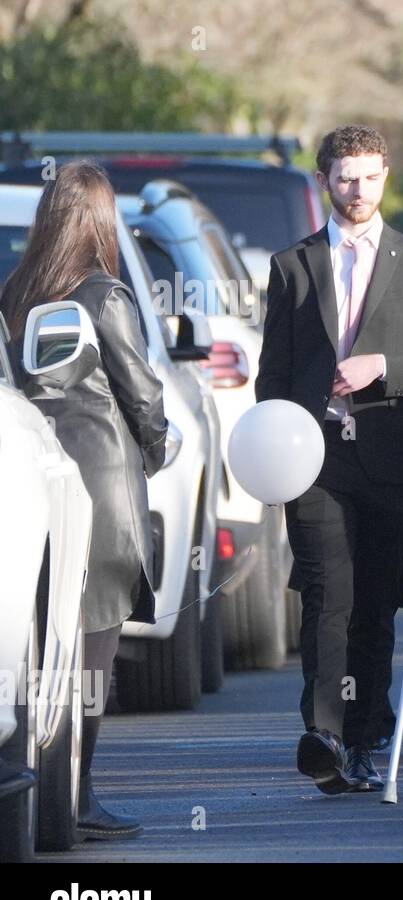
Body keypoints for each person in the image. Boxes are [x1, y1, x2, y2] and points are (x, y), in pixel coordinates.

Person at [256, 124, 403, 795]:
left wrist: (383, 369)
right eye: (344, 177)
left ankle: (363, 737)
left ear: (386, 177)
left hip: (390, 455)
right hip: (315, 457)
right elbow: (272, 374)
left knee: (371, 605)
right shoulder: (291, 265)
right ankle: (324, 734)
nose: (356, 190)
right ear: (323, 179)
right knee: (327, 594)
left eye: (368, 177)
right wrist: (276, 444)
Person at [1, 160, 167, 839]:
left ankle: (47, 795)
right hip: (100, 489)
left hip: (31, 488)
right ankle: (78, 796)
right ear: (101, 221)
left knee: (42, 651)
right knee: (91, 656)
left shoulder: (13, 293)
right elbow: (144, 396)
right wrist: (154, 452)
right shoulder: (104, 295)